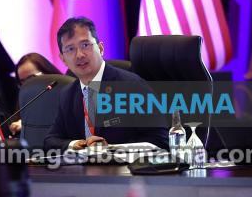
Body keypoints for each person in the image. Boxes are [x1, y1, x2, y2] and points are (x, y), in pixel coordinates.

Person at [44, 17, 168, 152]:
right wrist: (76, 144)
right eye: (70, 49)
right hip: (84, 165)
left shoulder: (132, 86)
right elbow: (50, 141)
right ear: (63, 59)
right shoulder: (67, 94)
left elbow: (160, 140)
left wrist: (110, 149)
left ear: (100, 48)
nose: (79, 55)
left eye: (85, 45)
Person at [9, 53, 62, 135]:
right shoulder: (25, 102)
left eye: (31, 78)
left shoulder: (65, 94)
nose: (27, 85)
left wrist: (29, 126)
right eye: (22, 82)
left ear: (47, 73)